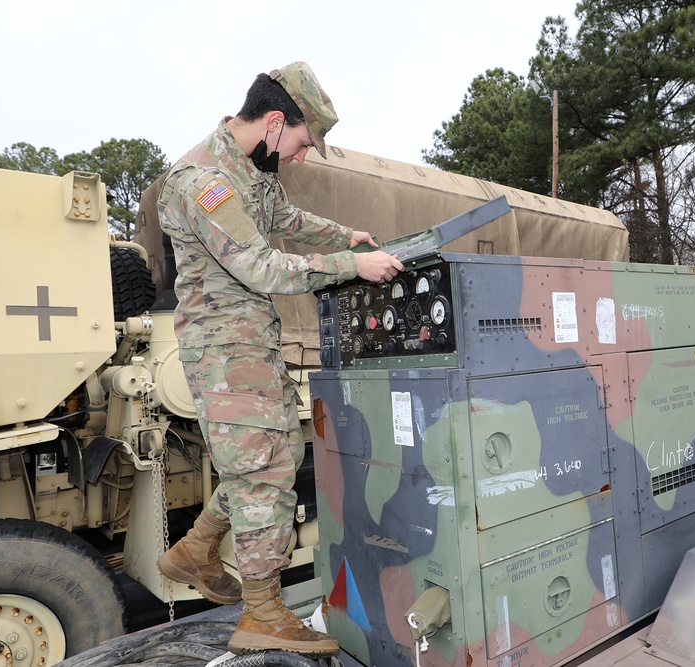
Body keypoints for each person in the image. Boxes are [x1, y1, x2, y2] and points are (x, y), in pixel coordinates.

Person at [156, 62, 403, 657]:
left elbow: (285, 220)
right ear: (273, 122)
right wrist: (353, 268)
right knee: (265, 474)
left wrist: (346, 238)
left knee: (276, 453)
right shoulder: (201, 181)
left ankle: (194, 549)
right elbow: (259, 265)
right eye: (299, 141)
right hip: (222, 352)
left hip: (250, 342)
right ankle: (262, 612)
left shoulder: (252, 169)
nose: (299, 155)